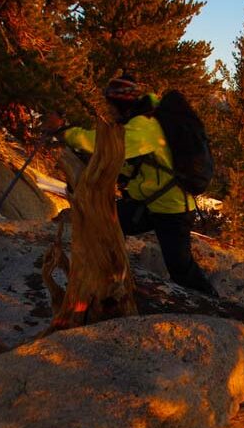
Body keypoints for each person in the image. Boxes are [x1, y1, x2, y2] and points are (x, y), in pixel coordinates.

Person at [54, 76, 216, 296]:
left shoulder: (146, 126)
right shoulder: (144, 121)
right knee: (109, 222)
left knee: (180, 269)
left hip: (172, 209)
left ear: (121, 103)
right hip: (149, 204)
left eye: (112, 106)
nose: (111, 111)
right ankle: (113, 279)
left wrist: (66, 132)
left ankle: (213, 303)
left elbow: (106, 144)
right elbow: (141, 164)